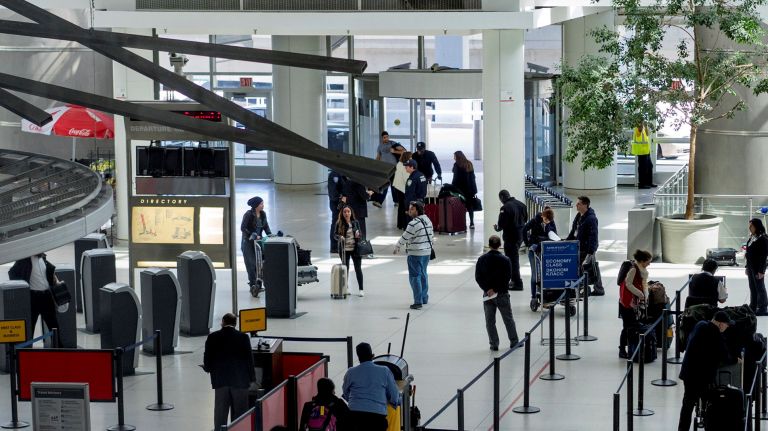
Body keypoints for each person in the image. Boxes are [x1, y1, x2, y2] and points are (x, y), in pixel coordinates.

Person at [677, 311, 735, 431]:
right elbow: (725, 357)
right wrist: (735, 359)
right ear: (721, 324)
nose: (727, 327)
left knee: (687, 405)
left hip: (688, 372)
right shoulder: (715, 334)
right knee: (711, 403)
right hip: (701, 378)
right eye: (727, 325)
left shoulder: (700, 324)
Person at [203, 313, 256, 431]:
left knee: (220, 413)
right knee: (241, 413)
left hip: (221, 380)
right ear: (235, 324)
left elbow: (207, 357)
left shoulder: (213, 337)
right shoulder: (243, 337)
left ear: (223, 322)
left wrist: (207, 368)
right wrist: (252, 378)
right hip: (240, 381)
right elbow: (249, 359)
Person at [342, 342, 400, 431]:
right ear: (372, 355)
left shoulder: (350, 372)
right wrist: (395, 402)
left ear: (358, 358)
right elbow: (394, 396)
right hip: (377, 417)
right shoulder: (384, 371)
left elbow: (346, 393)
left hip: (354, 416)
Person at [476, 235, 520, 351]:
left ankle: (494, 344)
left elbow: (478, 277)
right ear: (500, 245)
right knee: (508, 319)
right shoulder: (506, 260)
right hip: (502, 294)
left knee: (490, 321)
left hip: (488, 295)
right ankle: (514, 341)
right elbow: (507, 277)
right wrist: (496, 289)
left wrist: (488, 289)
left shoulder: (481, 260)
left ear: (489, 245)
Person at [8, 254, 60, 344]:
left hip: (47, 296)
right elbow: (12, 272)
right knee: (30, 327)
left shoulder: (42, 258)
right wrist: (22, 287)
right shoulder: (24, 260)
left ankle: (60, 350)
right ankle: (27, 352)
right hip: (33, 297)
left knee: (54, 326)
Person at [394, 201, 434, 310]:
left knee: (414, 276)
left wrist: (398, 246)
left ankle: (417, 302)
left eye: (411, 209)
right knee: (423, 274)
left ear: (417, 210)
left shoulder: (413, 223)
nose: (409, 210)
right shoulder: (428, 220)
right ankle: (424, 298)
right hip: (426, 252)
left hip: (415, 253)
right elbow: (431, 235)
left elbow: (405, 236)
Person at [566, 196, 604, 296]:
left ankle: (595, 289)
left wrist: (591, 252)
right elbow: (574, 230)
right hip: (579, 246)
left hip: (587, 248)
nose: (576, 205)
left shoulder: (591, 219)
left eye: (578, 204)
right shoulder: (579, 215)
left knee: (589, 267)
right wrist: (567, 241)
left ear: (585, 205)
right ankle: (597, 288)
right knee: (590, 267)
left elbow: (593, 235)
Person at [618, 250, 652, 359]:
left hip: (636, 302)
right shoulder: (633, 269)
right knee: (627, 326)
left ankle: (631, 347)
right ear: (642, 261)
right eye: (648, 261)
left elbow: (644, 283)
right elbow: (628, 284)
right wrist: (640, 293)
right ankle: (622, 349)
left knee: (632, 326)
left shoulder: (642, 270)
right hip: (628, 303)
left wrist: (645, 295)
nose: (649, 264)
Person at [493, 190, 528, 291]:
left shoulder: (505, 208)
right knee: (514, 258)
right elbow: (525, 218)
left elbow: (502, 224)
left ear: (502, 198)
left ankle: (517, 282)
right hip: (520, 236)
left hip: (510, 237)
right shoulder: (522, 204)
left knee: (512, 260)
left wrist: (497, 228)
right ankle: (514, 280)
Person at [522, 207, 557, 303]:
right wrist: (527, 243)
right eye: (545, 219)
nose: (547, 222)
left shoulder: (551, 222)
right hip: (534, 249)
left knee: (545, 273)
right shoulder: (535, 220)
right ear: (542, 216)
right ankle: (533, 296)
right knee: (535, 273)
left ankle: (544, 292)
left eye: (549, 220)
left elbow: (554, 234)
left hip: (545, 249)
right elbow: (524, 229)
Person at [241, 196, 271, 293]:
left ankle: (259, 285)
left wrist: (270, 235)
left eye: (263, 203)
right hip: (248, 243)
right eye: (261, 204)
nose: (263, 205)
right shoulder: (248, 214)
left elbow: (266, 227)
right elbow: (243, 228)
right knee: (252, 264)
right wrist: (252, 234)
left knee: (259, 264)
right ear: (256, 205)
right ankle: (253, 285)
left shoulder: (263, 214)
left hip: (258, 243)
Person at [336, 205, 365, 297]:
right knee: (345, 269)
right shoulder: (339, 223)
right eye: (345, 212)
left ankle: (361, 289)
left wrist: (358, 235)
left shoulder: (355, 222)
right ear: (342, 213)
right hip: (344, 250)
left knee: (358, 269)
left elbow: (361, 235)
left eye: (348, 212)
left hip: (355, 249)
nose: (347, 213)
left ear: (351, 213)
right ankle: (346, 288)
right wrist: (340, 237)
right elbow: (334, 235)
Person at [375, 131, 406, 205]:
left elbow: (403, 151)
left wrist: (394, 151)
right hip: (384, 168)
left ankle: (396, 201)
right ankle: (379, 202)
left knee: (394, 185)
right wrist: (375, 165)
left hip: (393, 168)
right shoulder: (380, 146)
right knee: (384, 184)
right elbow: (378, 157)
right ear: (382, 138)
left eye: (387, 137)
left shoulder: (393, 143)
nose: (386, 138)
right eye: (384, 137)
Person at [745, 218, 768, 315]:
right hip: (751, 266)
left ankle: (762, 307)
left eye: (751, 226)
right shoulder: (752, 237)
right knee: (752, 287)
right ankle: (753, 305)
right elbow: (748, 252)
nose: (749, 228)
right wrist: (747, 266)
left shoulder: (763, 238)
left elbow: (764, 256)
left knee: (760, 288)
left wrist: (761, 271)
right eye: (749, 226)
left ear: (756, 226)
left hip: (758, 267)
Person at [450, 151, 478, 229]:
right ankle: (472, 223)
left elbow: (455, 178)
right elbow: (473, 177)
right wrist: (474, 190)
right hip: (470, 189)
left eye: (454, 156)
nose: (454, 158)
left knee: (461, 206)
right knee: (470, 206)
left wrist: (452, 187)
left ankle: (462, 223)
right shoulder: (469, 163)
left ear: (458, 157)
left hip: (460, 190)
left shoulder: (457, 165)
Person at [631, 121, 657, 189]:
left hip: (646, 151)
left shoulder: (643, 128)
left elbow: (648, 134)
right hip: (641, 151)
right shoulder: (637, 129)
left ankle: (649, 182)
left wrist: (646, 126)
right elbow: (639, 130)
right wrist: (642, 125)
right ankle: (642, 184)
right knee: (643, 168)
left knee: (649, 166)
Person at [392, 152, 413, 230]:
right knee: (405, 207)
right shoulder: (405, 166)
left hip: (397, 187)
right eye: (411, 157)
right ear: (407, 157)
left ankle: (400, 224)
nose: (411, 158)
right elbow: (406, 178)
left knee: (401, 206)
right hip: (402, 188)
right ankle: (405, 225)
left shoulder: (399, 164)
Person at [328, 170, 346, 253]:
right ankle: (334, 246)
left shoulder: (342, 174)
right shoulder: (334, 175)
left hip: (341, 203)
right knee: (335, 223)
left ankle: (340, 244)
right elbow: (333, 193)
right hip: (336, 204)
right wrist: (340, 198)